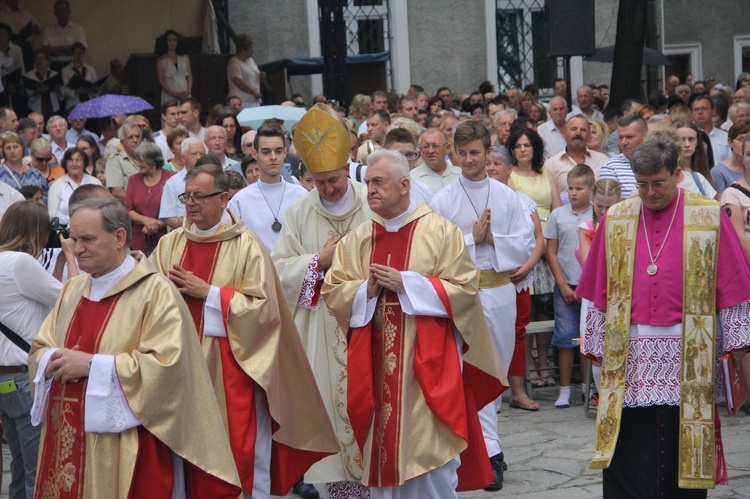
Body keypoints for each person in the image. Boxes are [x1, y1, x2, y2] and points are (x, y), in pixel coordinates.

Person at [322, 148, 507, 497]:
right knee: (383, 458)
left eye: (378, 182)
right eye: (368, 182)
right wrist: (366, 289)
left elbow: (465, 290)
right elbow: (334, 291)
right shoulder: (359, 237)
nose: (370, 189)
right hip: (375, 366)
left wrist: (407, 283)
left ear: (404, 184)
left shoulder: (440, 232)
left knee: (428, 455)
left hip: (426, 367)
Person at [29, 197, 243, 497]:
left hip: (127, 447)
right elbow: (40, 345)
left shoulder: (156, 293)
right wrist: (50, 358)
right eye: (74, 240)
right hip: (65, 436)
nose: (77, 250)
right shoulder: (73, 290)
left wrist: (91, 365)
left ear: (119, 237)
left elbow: (168, 367)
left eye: (87, 239)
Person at [150, 164, 338, 497]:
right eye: (186, 196)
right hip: (179, 369)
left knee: (238, 453)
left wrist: (207, 292)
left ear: (223, 198)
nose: (191, 204)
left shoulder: (247, 247)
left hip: (232, 370)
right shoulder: (169, 245)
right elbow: (146, 300)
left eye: (199, 196)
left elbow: (263, 312)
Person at [578, 139, 750, 497]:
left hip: (689, 348)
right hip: (629, 350)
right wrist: (594, 344)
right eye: (642, 185)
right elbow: (598, 292)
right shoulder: (618, 218)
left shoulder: (707, 216)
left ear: (677, 174)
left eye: (658, 183)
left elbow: (732, 286)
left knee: (677, 443)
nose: (650, 192)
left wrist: (737, 347)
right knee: (631, 442)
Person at [271, 104, 373, 498]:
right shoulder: (298, 212)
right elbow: (278, 272)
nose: (327, 189)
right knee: (332, 413)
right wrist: (320, 261)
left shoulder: (373, 200)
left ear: (347, 169)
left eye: (333, 180)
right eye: (318, 181)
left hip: (371, 322)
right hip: (322, 330)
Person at [430, 121, 534, 490]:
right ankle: (487, 454)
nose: (470, 159)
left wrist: (493, 238)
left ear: (488, 153)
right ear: (453, 154)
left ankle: (487, 449)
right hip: (460, 296)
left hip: (499, 293)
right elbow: (433, 249)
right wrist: (471, 240)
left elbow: (524, 244)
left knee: (494, 374)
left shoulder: (507, 197)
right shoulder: (442, 200)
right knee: (464, 372)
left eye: (476, 152)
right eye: (463, 153)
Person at [0, 201, 77, 499]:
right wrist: (69, 254)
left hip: (6, 382)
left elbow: (39, 303)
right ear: (36, 231)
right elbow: (72, 298)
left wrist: (56, 264)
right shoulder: (20, 264)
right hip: (23, 380)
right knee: (39, 469)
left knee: (19, 467)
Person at [486, 145, 543, 412]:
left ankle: (517, 391)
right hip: (490, 280)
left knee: (517, 333)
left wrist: (529, 266)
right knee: (487, 335)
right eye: (488, 163)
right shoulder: (479, 199)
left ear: (510, 168)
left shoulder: (522, 200)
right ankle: (490, 393)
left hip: (520, 277)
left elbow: (538, 238)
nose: (491, 168)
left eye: (497, 163)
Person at [545, 164, 594, 408]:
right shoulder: (558, 215)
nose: (574, 193)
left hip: (591, 287)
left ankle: (586, 386)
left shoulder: (596, 215)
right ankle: (564, 389)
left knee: (587, 337)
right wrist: (562, 284)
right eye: (571, 188)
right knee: (565, 337)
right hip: (565, 285)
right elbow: (551, 251)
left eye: (579, 188)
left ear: (591, 190)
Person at [228, 122, 307, 252]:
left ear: (285, 153)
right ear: (254, 154)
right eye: (266, 152)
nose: (273, 157)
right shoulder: (239, 201)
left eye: (278, 151)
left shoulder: (301, 195)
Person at [577, 178, 621, 407]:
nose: (603, 212)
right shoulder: (586, 229)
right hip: (595, 294)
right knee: (599, 350)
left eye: (609, 207)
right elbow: (588, 263)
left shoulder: (626, 224)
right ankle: (603, 397)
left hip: (620, 291)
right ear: (592, 201)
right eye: (599, 206)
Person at [125, 142, 174, 255]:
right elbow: (128, 209)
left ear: (152, 160)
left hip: (167, 237)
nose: (138, 164)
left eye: (141, 161)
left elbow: (179, 208)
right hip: (139, 240)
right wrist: (147, 221)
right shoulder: (133, 180)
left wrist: (157, 224)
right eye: (136, 160)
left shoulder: (171, 178)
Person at [544, 115, 608, 199]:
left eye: (583, 130)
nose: (578, 133)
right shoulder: (551, 164)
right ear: (564, 133)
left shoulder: (603, 160)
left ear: (589, 135)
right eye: (573, 129)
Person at [159, 137, 206, 229]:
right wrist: (191, 228)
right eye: (193, 154)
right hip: (183, 234)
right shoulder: (173, 182)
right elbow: (167, 217)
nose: (199, 157)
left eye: (202, 154)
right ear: (183, 158)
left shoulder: (214, 179)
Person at [47, 146, 102, 223]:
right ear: (65, 163)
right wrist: (76, 220)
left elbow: (102, 208)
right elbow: (52, 215)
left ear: (84, 163)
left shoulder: (95, 182)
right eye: (70, 160)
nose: (74, 164)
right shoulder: (57, 185)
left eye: (78, 160)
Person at [599, 114, 648, 198]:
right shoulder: (610, 166)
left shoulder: (660, 162)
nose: (623, 142)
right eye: (620, 137)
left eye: (629, 137)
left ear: (645, 136)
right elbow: (607, 203)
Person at [410, 128, 461, 193]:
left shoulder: (460, 174)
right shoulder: (413, 178)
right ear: (420, 150)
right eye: (426, 146)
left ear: (447, 148)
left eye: (435, 146)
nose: (431, 151)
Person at [40, 0, 86, 71]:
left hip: (73, 65)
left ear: (69, 12)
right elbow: (44, 50)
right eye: (57, 10)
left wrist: (54, 50)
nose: (60, 13)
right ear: (54, 13)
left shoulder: (78, 29)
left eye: (63, 10)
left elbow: (81, 49)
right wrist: (68, 49)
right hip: (54, 66)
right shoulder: (49, 30)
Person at [0, 133, 47, 198]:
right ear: (3, 151)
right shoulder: (1, 173)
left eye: (15, 147)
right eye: (8, 148)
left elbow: (45, 195)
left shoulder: (36, 174)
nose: (12, 151)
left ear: (22, 148)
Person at [104, 121, 142, 201]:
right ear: (122, 142)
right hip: (128, 209)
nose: (135, 140)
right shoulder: (115, 159)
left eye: (137, 136)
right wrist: (140, 202)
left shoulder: (147, 158)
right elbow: (117, 192)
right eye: (130, 137)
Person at [711, 120, 749, 193]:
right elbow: (720, 201)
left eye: (748, 140)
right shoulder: (719, 172)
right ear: (730, 142)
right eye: (740, 139)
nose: (744, 144)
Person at [156, 29, 192, 105]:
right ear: (165, 42)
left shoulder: (185, 58)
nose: (172, 43)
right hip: (169, 95)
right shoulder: (161, 61)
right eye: (169, 40)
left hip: (185, 93)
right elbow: (161, 80)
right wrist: (172, 93)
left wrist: (188, 90)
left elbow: (189, 76)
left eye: (174, 40)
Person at [227, 34, 263, 108]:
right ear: (242, 49)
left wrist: (261, 76)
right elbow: (238, 82)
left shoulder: (251, 61)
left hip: (254, 100)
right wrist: (254, 93)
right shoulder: (234, 62)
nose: (252, 50)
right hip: (242, 101)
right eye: (250, 48)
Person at [25, 49, 61, 119]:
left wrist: (58, 90)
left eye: (42, 58)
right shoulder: (29, 75)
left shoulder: (54, 74)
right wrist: (37, 92)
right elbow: (28, 93)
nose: (39, 61)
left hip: (53, 108)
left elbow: (60, 95)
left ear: (47, 61)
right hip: (35, 109)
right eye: (37, 59)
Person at [61, 42, 97, 111]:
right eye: (76, 53)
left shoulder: (91, 69)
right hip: (74, 103)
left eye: (81, 53)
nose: (79, 55)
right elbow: (66, 90)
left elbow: (96, 85)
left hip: (90, 103)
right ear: (72, 54)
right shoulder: (66, 70)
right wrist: (76, 91)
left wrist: (94, 90)